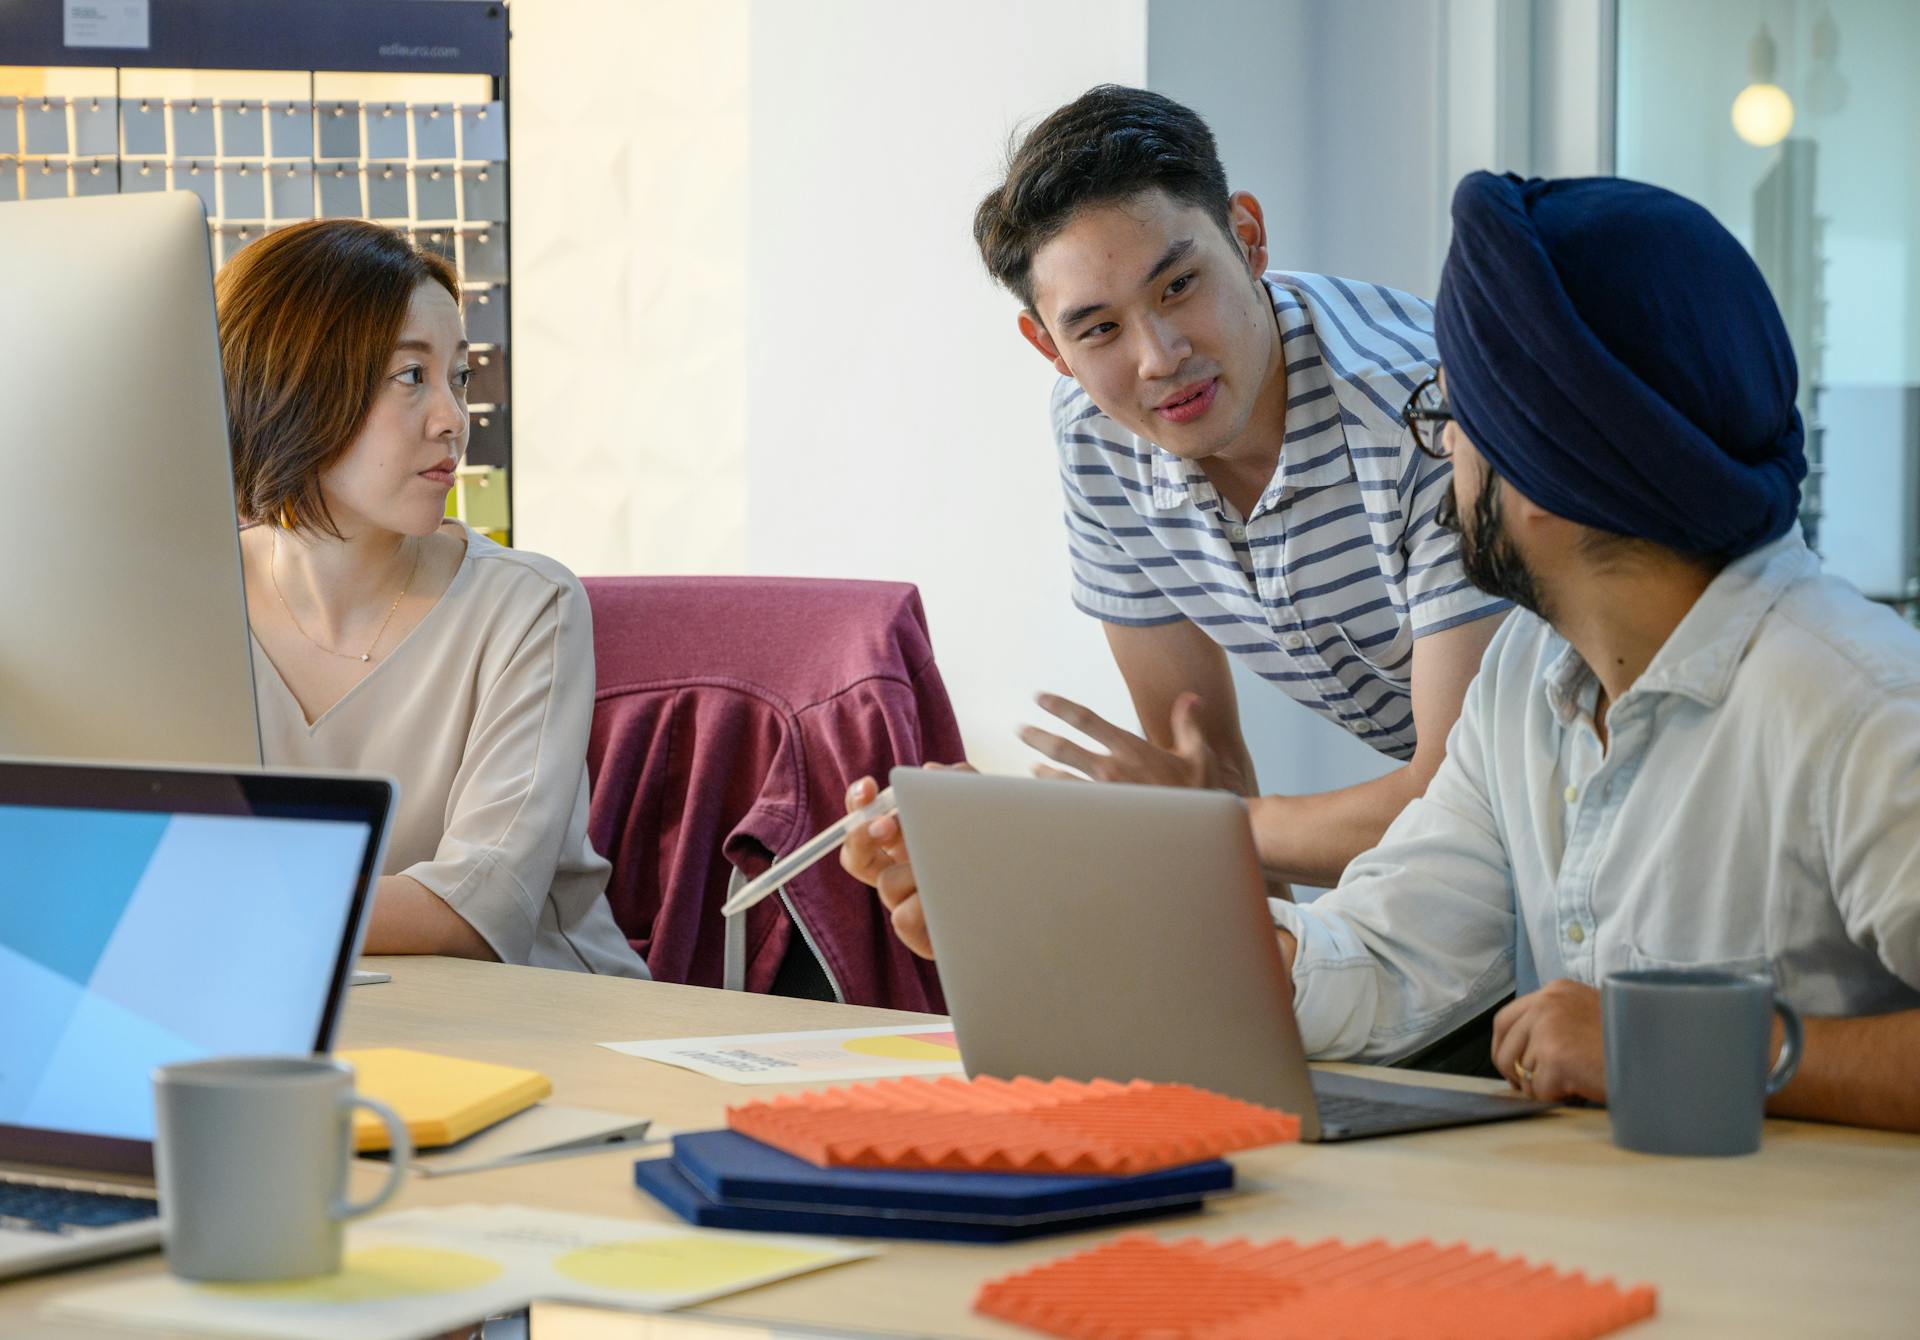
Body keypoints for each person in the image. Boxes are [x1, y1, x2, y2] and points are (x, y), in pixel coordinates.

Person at [847, 173, 1920, 1133]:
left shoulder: (1856, 704)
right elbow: (1393, 950)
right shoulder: (1524, 688)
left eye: (1458, 414)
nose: (1441, 442)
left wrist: (1697, 1051)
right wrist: (1041, 922)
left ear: (1553, 471)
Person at [971, 86, 1509, 889]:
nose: (1159, 358)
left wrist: (1205, 825)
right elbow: (1208, 773)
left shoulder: (1426, 415)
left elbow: (1463, 804)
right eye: (1100, 328)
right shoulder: (1096, 435)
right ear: (1050, 346)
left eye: (1178, 286)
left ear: (1248, 239)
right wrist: (1261, 989)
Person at [217, 219, 648, 978]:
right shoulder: (191, 599)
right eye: (411, 376)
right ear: (291, 384)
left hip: (542, 1027)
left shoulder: (528, 607)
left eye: (458, 376)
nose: (454, 419)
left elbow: (474, 912)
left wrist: (212, 903)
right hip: (303, 1010)